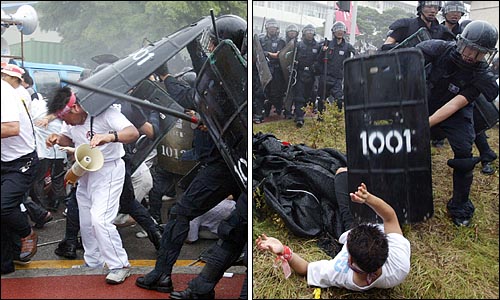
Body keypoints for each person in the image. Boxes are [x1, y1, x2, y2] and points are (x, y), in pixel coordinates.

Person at [135, 14, 246, 296]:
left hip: (226, 164)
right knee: (235, 230)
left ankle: (163, 275)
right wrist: (192, 46)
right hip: (237, 162)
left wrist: (167, 74)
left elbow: (193, 95)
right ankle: (201, 286)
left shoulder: (229, 76)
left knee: (181, 213)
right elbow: (205, 79)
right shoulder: (236, 72)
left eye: (210, 42)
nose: (208, 49)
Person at [45, 86, 139, 284]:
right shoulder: (70, 121)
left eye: (64, 118)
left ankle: (119, 265)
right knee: (86, 219)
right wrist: (57, 138)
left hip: (109, 170)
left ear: (75, 108)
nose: (64, 123)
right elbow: (67, 137)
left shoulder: (105, 113)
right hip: (85, 170)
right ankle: (93, 261)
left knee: (100, 219)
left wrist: (110, 136)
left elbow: (132, 132)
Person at [256, 172, 411, 291]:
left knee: (341, 176)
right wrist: (368, 198)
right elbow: (390, 217)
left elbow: (306, 269)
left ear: (349, 260)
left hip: (351, 224)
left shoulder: (339, 273)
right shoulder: (399, 264)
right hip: (374, 217)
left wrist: (283, 250)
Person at [416, 20, 499, 226]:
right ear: (461, 41)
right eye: (469, 47)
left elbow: (455, 105)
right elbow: (408, 65)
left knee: (464, 151)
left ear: (486, 54)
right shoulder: (439, 49)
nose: (470, 54)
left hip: (455, 110)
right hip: (427, 98)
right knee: (408, 142)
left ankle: (460, 205)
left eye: (479, 52)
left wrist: (424, 124)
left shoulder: (482, 76)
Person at [1, 64, 39, 274]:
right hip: (4, 159)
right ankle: (7, 262)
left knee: (4, 206)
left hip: (21, 160)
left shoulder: (5, 90)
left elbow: (11, 128)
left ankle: (27, 233)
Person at [381, 1, 454, 51]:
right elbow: (387, 46)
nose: (433, 10)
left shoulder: (443, 31)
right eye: (429, 6)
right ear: (421, 8)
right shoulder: (406, 25)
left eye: (436, 7)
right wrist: (408, 50)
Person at [318, 21, 357, 113]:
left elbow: (355, 58)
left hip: (338, 79)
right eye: (337, 30)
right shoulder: (327, 44)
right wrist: (323, 51)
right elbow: (319, 60)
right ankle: (320, 118)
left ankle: (337, 118)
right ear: (333, 32)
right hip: (325, 77)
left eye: (342, 30)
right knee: (321, 100)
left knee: (339, 100)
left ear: (344, 32)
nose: (339, 32)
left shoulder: (348, 47)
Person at [255, 18, 287, 120]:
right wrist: (267, 54)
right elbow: (257, 52)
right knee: (260, 91)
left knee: (275, 93)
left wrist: (268, 54)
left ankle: (274, 110)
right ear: (266, 28)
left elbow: (279, 55)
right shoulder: (261, 40)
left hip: (276, 70)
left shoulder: (281, 41)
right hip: (264, 69)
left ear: (277, 28)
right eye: (270, 27)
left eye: (274, 27)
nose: (272, 29)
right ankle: (259, 114)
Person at [291, 24, 320, 128]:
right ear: (304, 33)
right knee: (299, 95)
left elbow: (320, 59)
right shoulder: (298, 45)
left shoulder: (318, 46)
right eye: (307, 32)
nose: (309, 34)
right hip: (300, 73)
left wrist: (315, 67)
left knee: (308, 95)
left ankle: (301, 112)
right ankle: (299, 117)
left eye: (311, 32)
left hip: (311, 75)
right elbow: (290, 57)